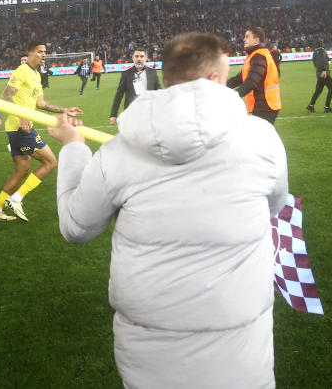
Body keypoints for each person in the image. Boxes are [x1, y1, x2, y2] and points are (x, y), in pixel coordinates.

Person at [52, 32, 288, 388]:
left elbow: (75, 227)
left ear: (165, 78)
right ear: (214, 79)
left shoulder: (118, 152)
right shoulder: (263, 139)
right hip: (242, 359)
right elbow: (274, 206)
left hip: (150, 362)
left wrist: (73, 148)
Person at [0, 41, 80, 224]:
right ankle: (16, 199)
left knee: (21, 170)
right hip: (20, 127)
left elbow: (41, 104)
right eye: (39, 52)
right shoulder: (22, 71)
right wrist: (22, 116)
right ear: (29, 54)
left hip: (19, 127)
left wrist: (64, 110)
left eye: (45, 52)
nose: (43, 55)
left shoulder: (36, 75)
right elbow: (5, 96)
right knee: (50, 162)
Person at [227, 27, 282, 125]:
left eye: (247, 37)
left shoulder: (259, 56)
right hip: (264, 105)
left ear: (256, 40)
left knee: (261, 138)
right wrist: (220, 86)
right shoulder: (255, 55)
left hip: (265, 106)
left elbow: (252, 81)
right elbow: (239, 78)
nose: (244, 39)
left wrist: (233, 96)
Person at [110, 48, 161, 125]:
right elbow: (119, 95)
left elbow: (159, 92)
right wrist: (113, 114)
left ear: (146, 58)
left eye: (141, 56)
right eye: (136, 56)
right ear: (133, 58)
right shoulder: (126, 74)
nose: (139, 59)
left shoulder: (152, 72)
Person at [306, 44, 332, 113]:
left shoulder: (314, 52)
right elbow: (324, 61)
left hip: (319, 73)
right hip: (324, 74)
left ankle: (311, 105)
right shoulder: (322, 51)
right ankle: (327, 107)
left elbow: (315, 63)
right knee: (331, 89)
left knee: (318, 90)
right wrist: (325, 70)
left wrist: (322, 70)